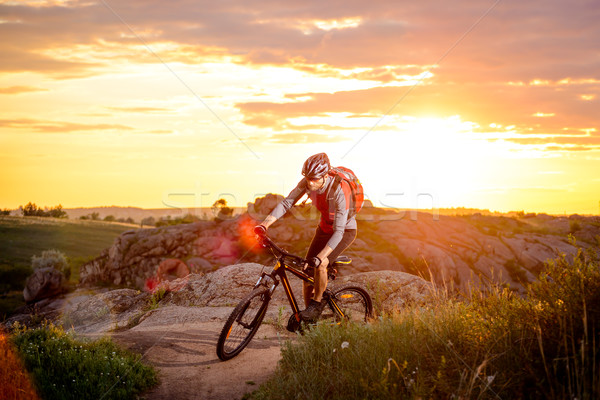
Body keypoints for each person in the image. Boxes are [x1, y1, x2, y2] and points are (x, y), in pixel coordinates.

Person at [258, 153, 357, 321]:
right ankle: (307, 317)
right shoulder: (308, 182)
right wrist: (264, 224)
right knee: (307, 271)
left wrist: (321, 257)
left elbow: (339, 231)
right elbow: (287, 203)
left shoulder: (340, 191)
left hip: (344, 231)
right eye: (308, 178)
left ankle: (316, 306)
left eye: (315, 179)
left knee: (321, 264)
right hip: (324, 229)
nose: (310, 183)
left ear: (325, 176)